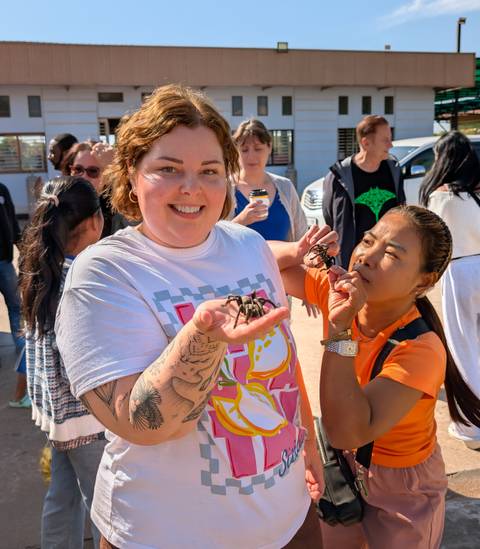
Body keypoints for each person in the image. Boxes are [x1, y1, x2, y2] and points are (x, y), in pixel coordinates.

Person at [55, 84, 329, 549]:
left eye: (209, 170)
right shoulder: (103, 273)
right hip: (165, 534)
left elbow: (282, 366)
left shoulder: (248, 246)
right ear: (131, 175)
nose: (191, 187)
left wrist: (305, 440)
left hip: (290, 521)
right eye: (168, 169)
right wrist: (201, 338)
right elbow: (142, 423)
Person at [271, 205, 480, 548]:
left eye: (392, 255)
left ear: (424, 281)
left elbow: (346, 430)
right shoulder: (337, 291)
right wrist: (298, 250)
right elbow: (265, 261)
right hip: (344, 468)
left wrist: (341, 333)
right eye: (368, 240)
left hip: (403, 489)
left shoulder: (421, 349)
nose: (367, 256)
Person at [20, 176, 106, 548]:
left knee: (64, 496)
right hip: (86, 416)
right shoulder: (84, 279)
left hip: (57, 414)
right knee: (109, 508)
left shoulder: (41, 269)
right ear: (93, 222)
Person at [419, 131, 480, 450]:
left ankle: (471, 425)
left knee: (462, 346)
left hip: (458, 271)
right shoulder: (475, 192)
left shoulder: (438, 194)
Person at [322, 115, 405, 269]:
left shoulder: (394, 171)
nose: (391, 144)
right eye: (385, 140)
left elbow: (401, 211)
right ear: (366, 143)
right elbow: (330, 217)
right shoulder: (339, 177)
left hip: (386, 262)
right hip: (353, 262)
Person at [231, 118, 307, 242]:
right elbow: (212, 237)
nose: (251, 156)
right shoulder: (225, 189)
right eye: (244, 150)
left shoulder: (285, 187)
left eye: (258, 149)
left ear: (269, 147)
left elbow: (302, 235)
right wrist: (240, 221)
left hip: (282, 262)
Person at [0, 181, 29, 407]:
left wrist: (22, 250)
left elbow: (11, 222)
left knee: (16, 307)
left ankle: (22, 352)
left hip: (5, 262)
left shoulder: (2, 189)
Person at [63, 141, 128, 238]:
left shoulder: (118, 210)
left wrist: (117, 170)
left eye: (93, 171)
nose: (84, 177)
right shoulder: (60, 205)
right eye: (78, 170)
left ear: (108, 176)